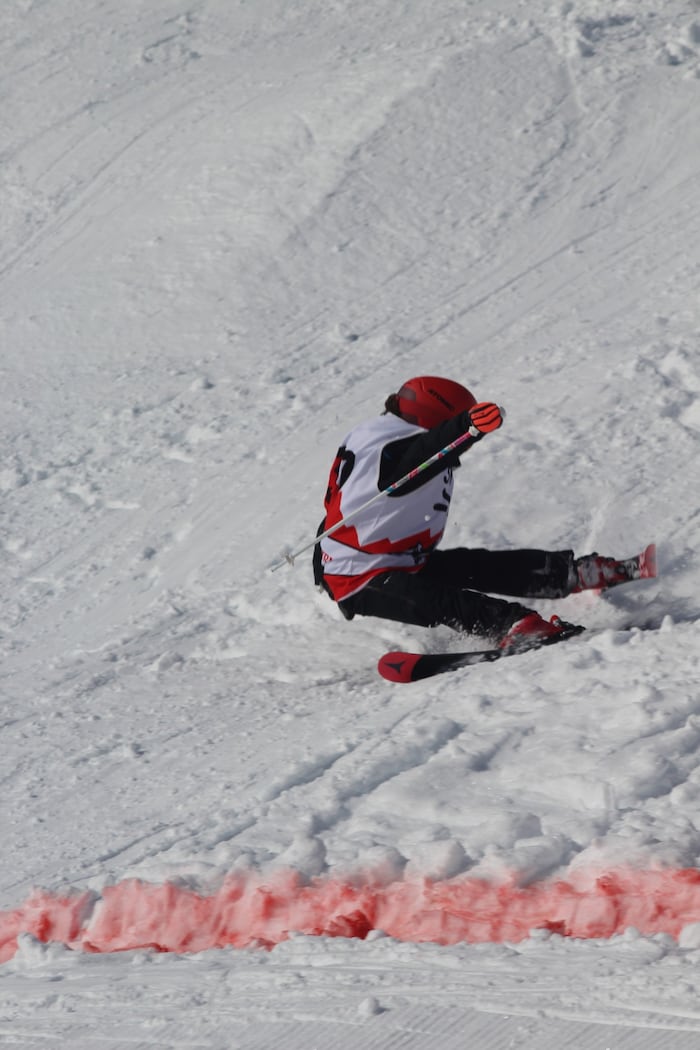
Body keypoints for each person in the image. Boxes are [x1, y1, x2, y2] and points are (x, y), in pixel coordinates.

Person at [313, 375, 635, 652]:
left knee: (477, 566)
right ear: (437, 417)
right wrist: (462, 427)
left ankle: (574, 573)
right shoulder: (394, 443)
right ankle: (513, 625)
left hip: (394, 557)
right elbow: (413, 461)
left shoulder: (375, 437)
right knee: (438, 600)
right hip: (356, 576)